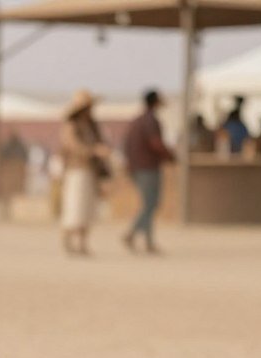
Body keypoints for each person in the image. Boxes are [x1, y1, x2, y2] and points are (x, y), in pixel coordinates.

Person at [122, 89, 175, 254]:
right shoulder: (150, 121)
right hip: (148, 167)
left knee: (149, 204)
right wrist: (170, 156)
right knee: (150, 204)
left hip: (138, 167)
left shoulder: (137, 121)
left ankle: (148, 242)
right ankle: (132, 234)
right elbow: (155, 143)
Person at [59, 90, 111, 256]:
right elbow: (73, 146)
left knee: (88, 208)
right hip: (77, 170)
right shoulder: (71, 126)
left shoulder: (92, 126)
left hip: (91, 171)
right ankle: (68, 237)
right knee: (75, 207)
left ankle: (82, 243)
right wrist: (93, 151)